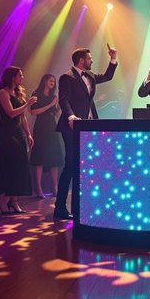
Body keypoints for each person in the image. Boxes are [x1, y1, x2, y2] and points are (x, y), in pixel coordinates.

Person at [54, 44, 118, 221]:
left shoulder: (89, 75)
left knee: (87, 167)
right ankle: (60, 208)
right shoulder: (66, 77)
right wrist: (71, 116)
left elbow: (107, 76)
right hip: (73, 126)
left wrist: (113, 59)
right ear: (81, 60)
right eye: (89, 58)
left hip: (89, 126)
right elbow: (63, 99)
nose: (92, 61)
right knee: (71, 167)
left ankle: (82, 207)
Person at [0, 66, 38, 214]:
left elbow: (23, 116)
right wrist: (28, 104)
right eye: (20, 75)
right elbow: (11, 113)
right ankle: (1, 199)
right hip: (6, 133)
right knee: (8, 165)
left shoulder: (18, 92)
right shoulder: (3, 92)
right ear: (12, 77)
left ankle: (14, 200)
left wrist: (28, 134)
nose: (22, 77)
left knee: (20, 165)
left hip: (18, 132)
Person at [29, 74, 64, 198]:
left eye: (54, 82)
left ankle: (55, 187)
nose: (52, 83)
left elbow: (55, 113)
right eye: (50, 81)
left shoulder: (54, 96)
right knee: (39, 159)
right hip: (40, 128)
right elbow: (33, 112)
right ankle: (38, 189)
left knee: (54, 159)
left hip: (52, 127)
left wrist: (58, 106)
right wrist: (50, 105)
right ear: (44, 81)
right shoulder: (36, 94)